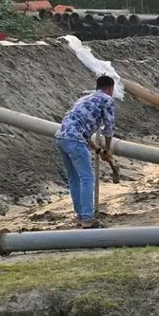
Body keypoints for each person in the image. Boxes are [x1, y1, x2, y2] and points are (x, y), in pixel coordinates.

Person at [55, 75, 116, 229]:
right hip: (75, 140)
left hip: (62, 138)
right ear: (110, 88)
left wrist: (98, 150)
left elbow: (82, 130)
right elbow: (108, 128)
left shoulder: (84, 99)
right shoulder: (107, 100)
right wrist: (108, 149)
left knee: (74, 179)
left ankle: (81, 215)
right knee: (87, 178)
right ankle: (88, 219)